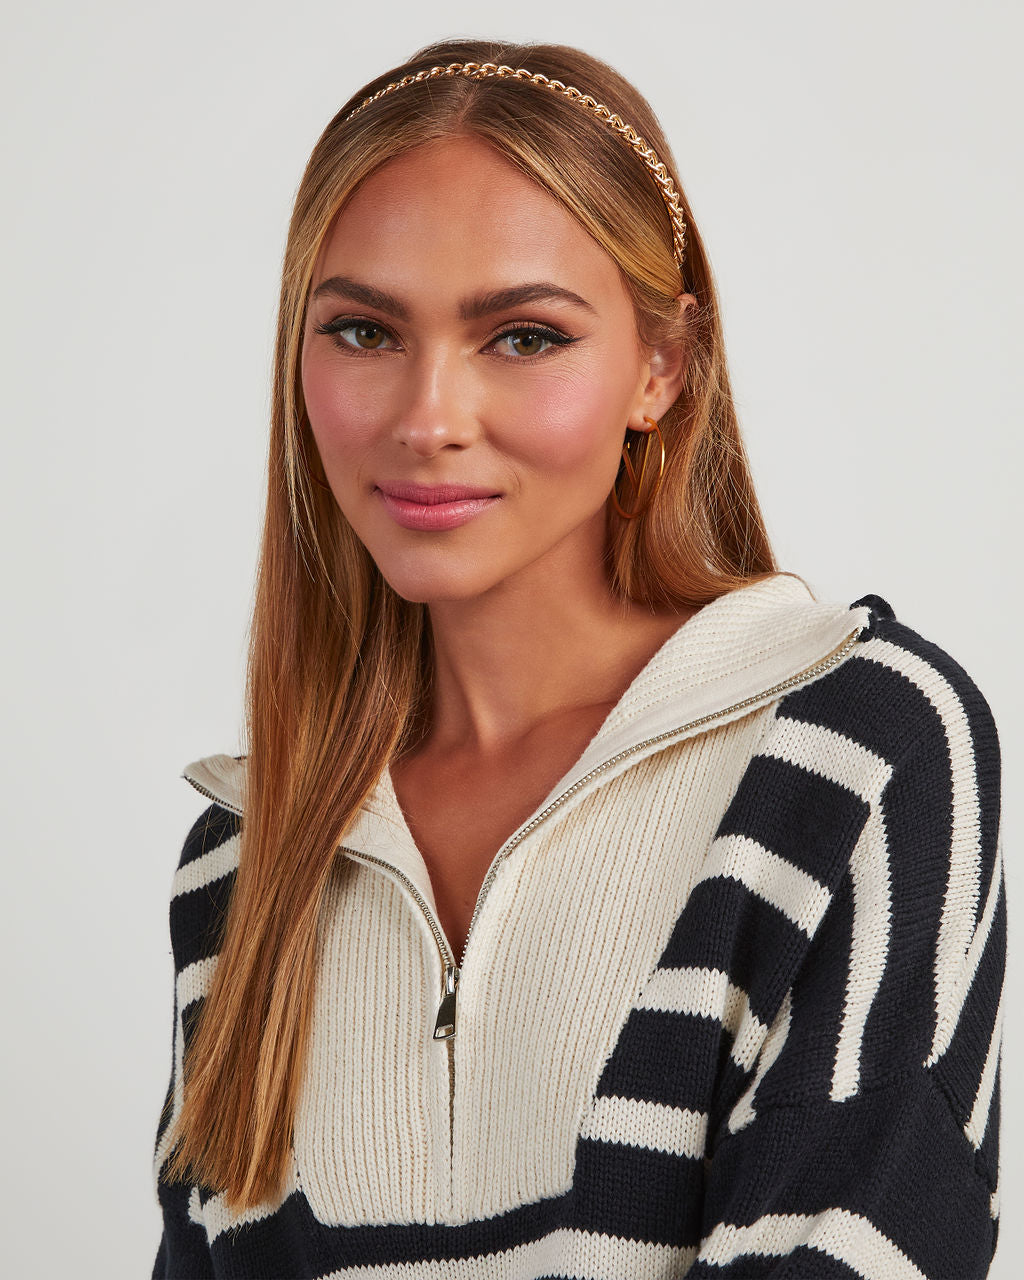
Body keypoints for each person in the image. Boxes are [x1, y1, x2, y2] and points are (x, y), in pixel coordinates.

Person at [151, 38, 1004, 1280]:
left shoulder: (854, 753)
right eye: (363, 330)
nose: (426, 417)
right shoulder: (244, 861)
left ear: (662, 366)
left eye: (522, 337)